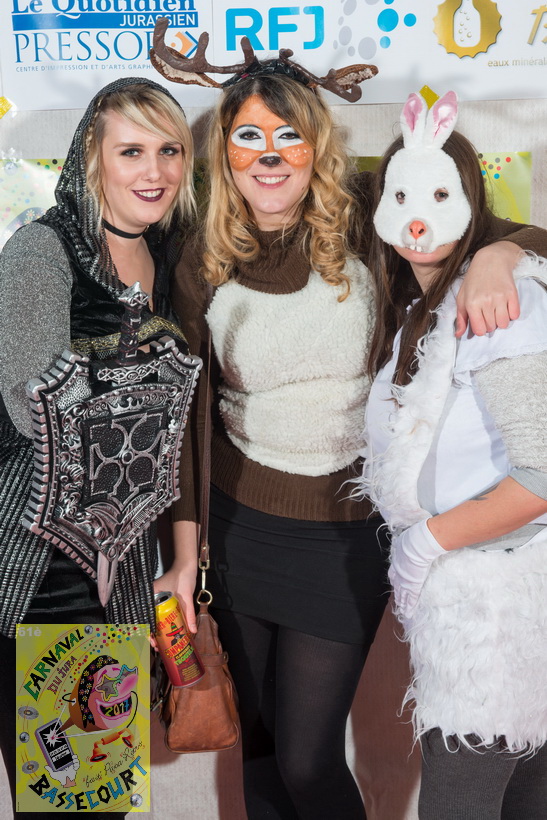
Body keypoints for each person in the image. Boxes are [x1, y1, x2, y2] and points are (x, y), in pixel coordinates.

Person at [165, 62, 547, 818]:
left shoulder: (368, 213)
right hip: (237, 526)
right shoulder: (199, 253)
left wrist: (499, 256)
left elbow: (492, 229)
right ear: (224, 150)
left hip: (343, 530)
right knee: (260, 749)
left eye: (288, 135)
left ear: (316, 144)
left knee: (308, 761)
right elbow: (184, 418)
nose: (269, 156)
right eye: (249, 137)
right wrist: (185, 552)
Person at [0, 77, 195, 817]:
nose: (154, 171)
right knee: (63, 797)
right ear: (93, 155)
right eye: (132, 151)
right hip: (38, 569)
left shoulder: (169, 257)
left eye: (169, 151)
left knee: (101, 792)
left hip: (122, 570)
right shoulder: (42, 250)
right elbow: (30, 407)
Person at [361, 90, 547, 819]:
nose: (418, 218)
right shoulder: (420, 306)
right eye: (402, 196)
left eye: (440, 196)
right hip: (467, 597)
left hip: (498, 607)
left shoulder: (500, 304)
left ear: (470, 202)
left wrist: (422, 544)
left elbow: (542, 473)